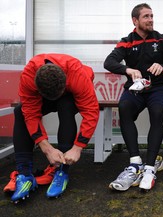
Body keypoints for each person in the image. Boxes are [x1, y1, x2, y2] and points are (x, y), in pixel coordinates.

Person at [104, 3, 163, 192]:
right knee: (124, 107)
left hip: (158, 89)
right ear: (135, 21)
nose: (151, 19)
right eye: (146, 16)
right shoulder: (126, 41)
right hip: (135, 89)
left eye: (152, 16)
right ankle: (135, 163)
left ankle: (151, 167)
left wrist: (162, 67)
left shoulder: (162, 39)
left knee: (157, 111)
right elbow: (109, 62)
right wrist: (127, 70)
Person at [8, 53, 99, 203]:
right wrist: (47, 148)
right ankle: (24, 173)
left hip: (70, 92)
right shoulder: (28, 76)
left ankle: (62, 170)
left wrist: (78, 147)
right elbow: (31, 114)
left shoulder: (77, 75)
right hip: (45, 91)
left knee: (65, 105)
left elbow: (91, 112)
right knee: (20, 111)